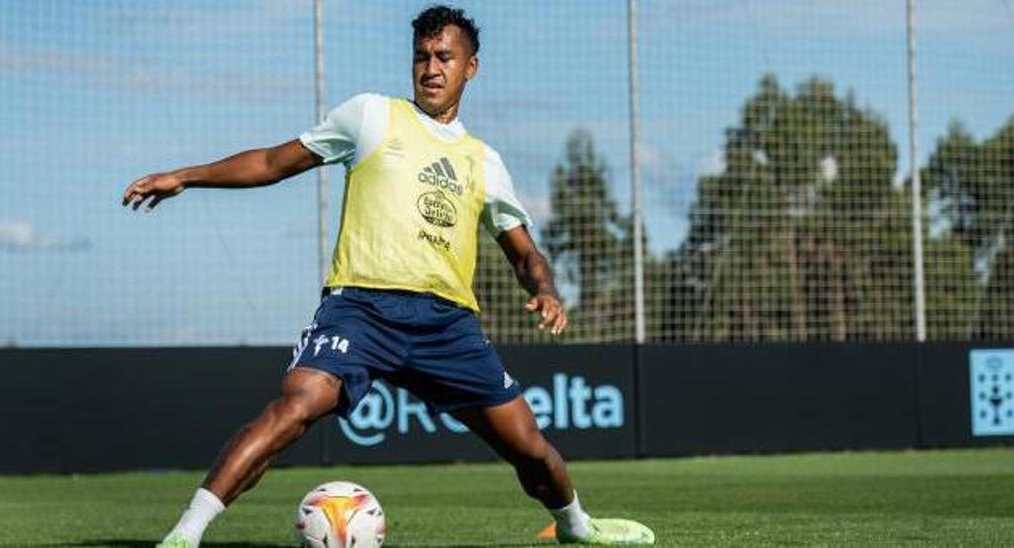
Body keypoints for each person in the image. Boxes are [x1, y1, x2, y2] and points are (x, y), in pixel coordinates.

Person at [123, 5, 654, 547]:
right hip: (361, 308)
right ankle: (185, 534)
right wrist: (186, 176)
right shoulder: (371, 116)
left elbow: (524, 253)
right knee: (295, 406)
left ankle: (577, 526)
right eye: (422, 57)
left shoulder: (482, 160)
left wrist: (545, 290)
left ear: (470, 68)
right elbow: (271, 163)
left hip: (447, 324)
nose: (431, 68)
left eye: (445, 57)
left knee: (529, 445)